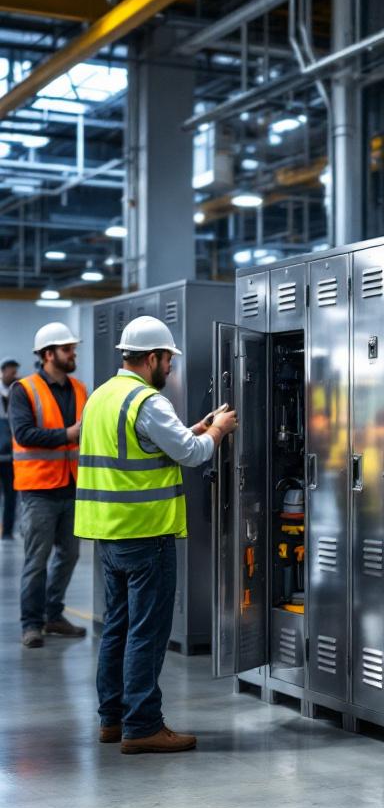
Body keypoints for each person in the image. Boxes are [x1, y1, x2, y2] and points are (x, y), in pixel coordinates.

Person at [75, 316, 238, 755]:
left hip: (109, 534)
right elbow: (190, 454)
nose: (171, 369)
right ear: (153, 358)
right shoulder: (147, 401)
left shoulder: (101, 397)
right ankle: (143, 725)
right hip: (147, 534)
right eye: (169, 361)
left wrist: (199, 426)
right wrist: (218, 433)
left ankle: (112, 720)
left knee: (118, 627)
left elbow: (152, 443)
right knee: (146, 632)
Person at [9, 325, 88, 648]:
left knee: (69, 555)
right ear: (48, 354)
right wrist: (67, 435)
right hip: (38, 489)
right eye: (67, 349)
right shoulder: (23, 390)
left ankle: (53, 614)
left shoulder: (81, 389)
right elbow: (24, 434)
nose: (73, 354)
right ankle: (31, 624)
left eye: (73, 348)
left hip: (72, 485)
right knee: (36, 560)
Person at [0, 357, 20, 540]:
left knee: (11, 498)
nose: (15, 376)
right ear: (3, 371)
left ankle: (7, 532)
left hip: (11, 456)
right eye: (12, 372)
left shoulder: (16, 393)